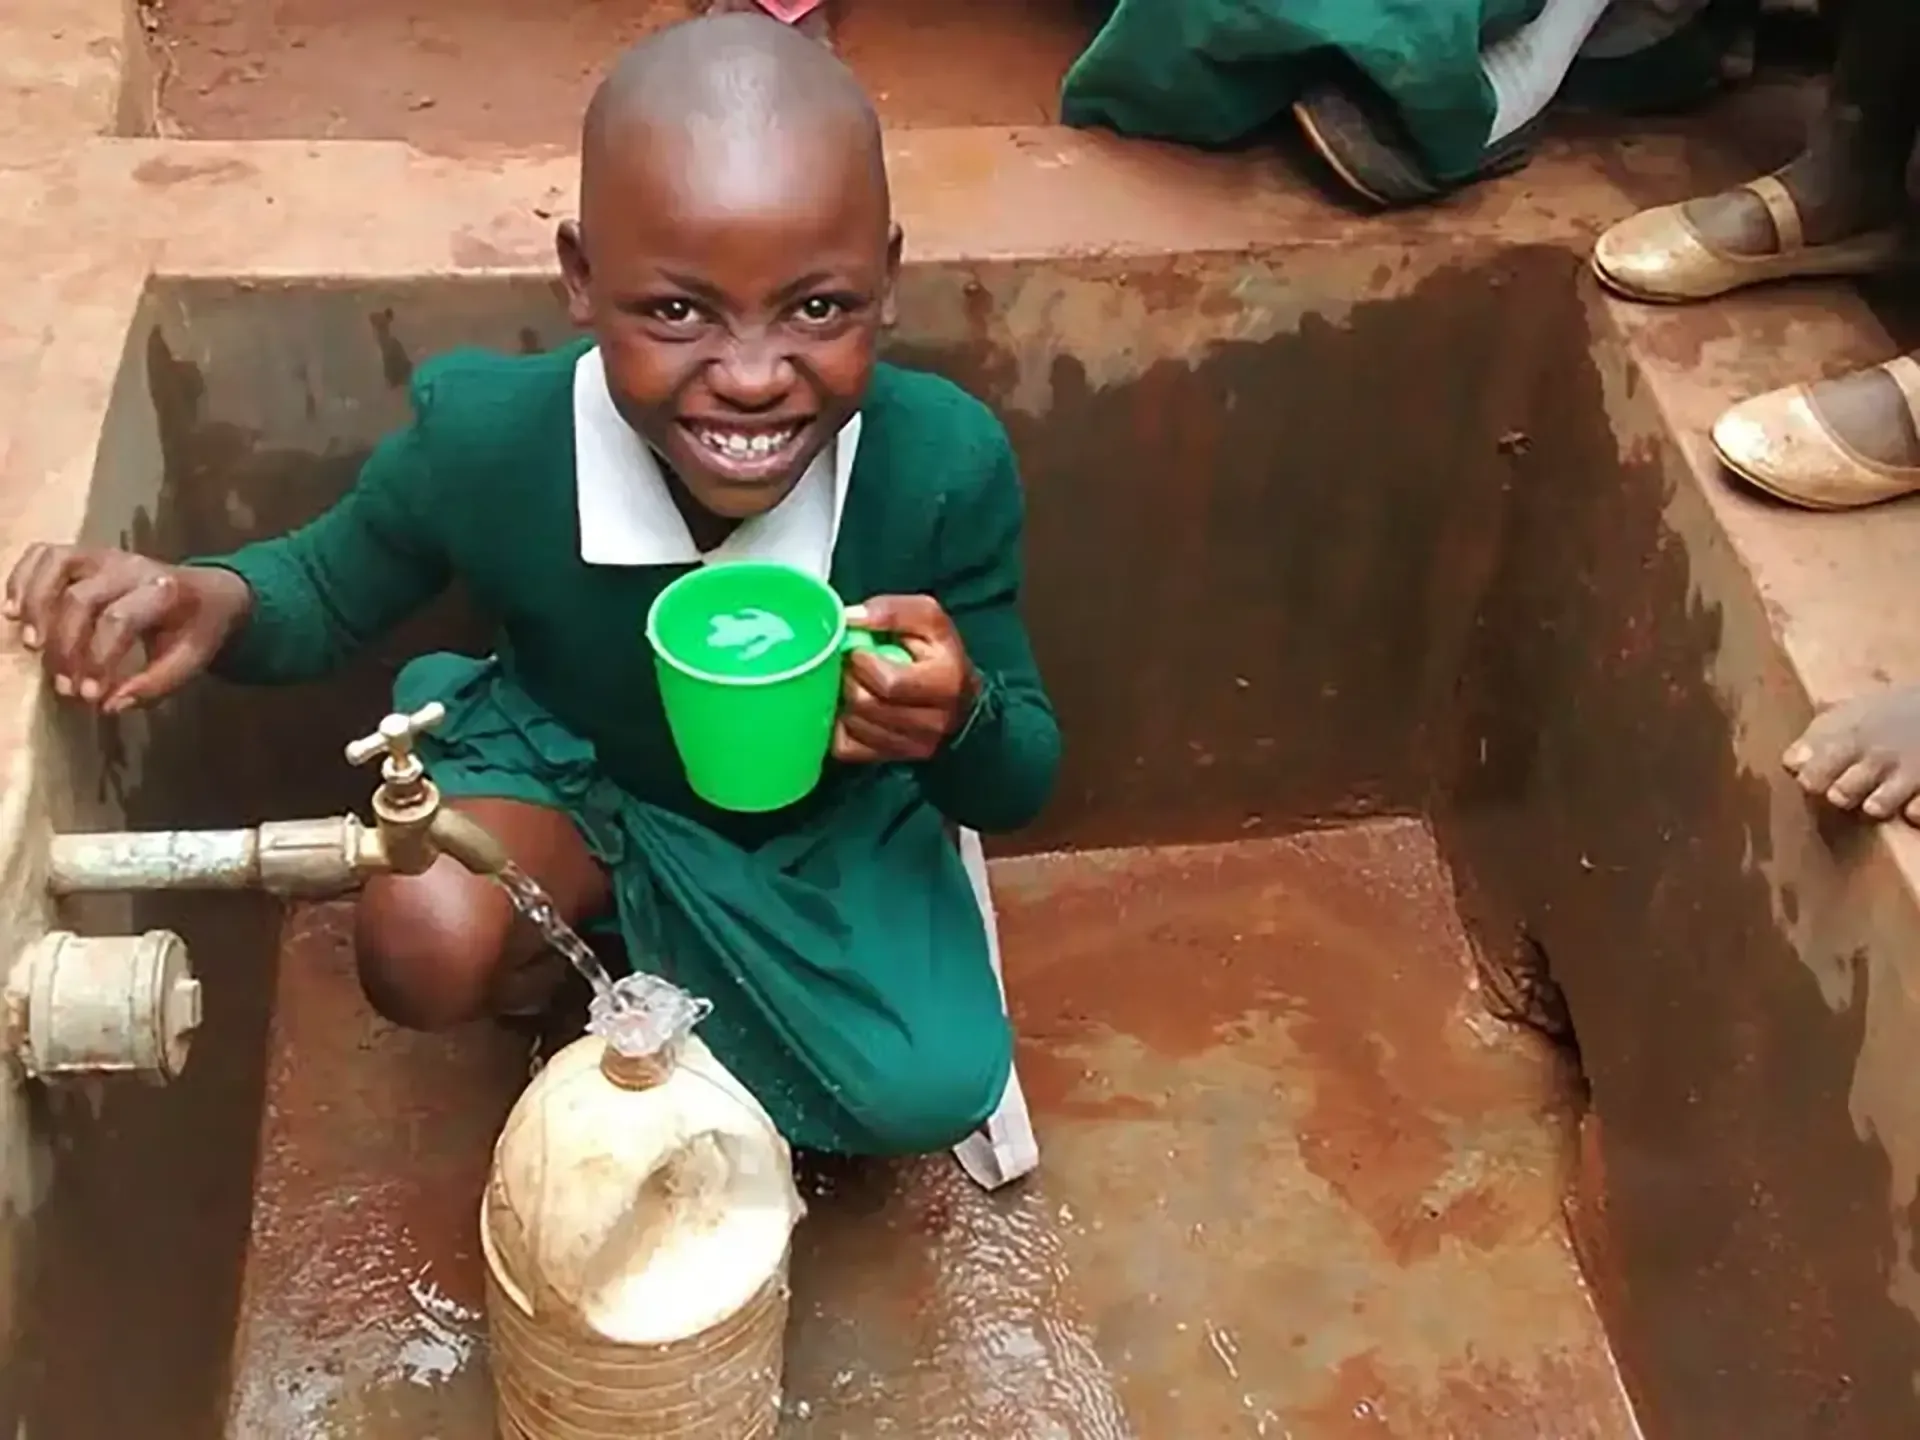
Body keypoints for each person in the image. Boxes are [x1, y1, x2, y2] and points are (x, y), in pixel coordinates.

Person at [2, 14, 1060, 1156]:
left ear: (886, 282)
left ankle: (678, 968)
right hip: (579, 778)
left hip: (819, 829)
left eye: (818, 308)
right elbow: (326, 580)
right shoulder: (494, 441)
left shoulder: (940, 465)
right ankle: (599, 956)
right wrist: (210, 597)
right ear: (580, 277)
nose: (754, 377)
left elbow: (1022, 770)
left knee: (934, 1091)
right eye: (676, 310)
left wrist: (955, 719)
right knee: (422, 939)